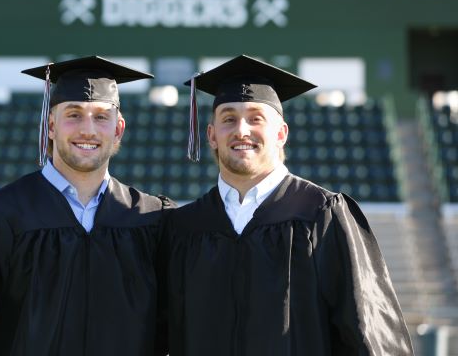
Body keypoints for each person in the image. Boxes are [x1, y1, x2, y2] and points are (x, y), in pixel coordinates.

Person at [0, 56, 172, 356]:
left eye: (101, 116)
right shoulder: (1, 216)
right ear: (50, 126)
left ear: (118, 130)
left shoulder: (150, 221)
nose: (88, 129)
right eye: (74, 114)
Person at [161, 55, 414, 355]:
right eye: (229, 118)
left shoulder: (321, 215)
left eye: (256, 118)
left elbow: (370, 335)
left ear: (281, 134)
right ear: (212, 135)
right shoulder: (186, 228)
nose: (242, 130)